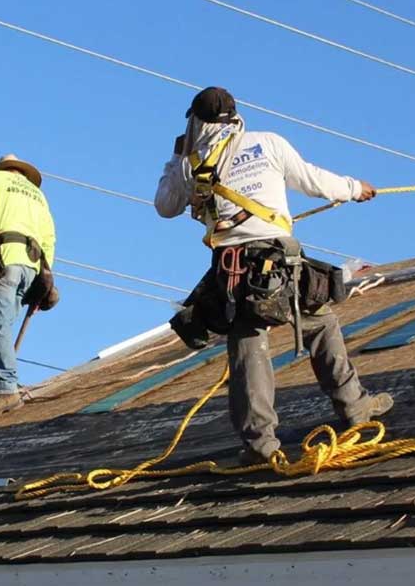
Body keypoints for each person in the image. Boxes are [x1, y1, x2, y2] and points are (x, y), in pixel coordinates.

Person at [154, 86, 393, 463]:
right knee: (321, 325)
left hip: (233, 272)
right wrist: (355, 189)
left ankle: (260, 446)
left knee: (249, 351)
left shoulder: (192, 164)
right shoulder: (268, 143)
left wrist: (176, 156)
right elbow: (313, 181)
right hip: (281, 263)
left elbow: (165, 206)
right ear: (235, 116)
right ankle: (355, 410)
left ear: (195, 121)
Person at [0, 154, 57, 420]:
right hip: (33, 266)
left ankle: (5, 389)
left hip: (7, 259)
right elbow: (50, 236)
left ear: (3, 168)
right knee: (4, 324)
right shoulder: (39, 196)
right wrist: (45, 278)